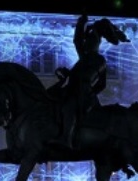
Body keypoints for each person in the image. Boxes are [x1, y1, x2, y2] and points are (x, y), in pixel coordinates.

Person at [50, 14, 129, 149]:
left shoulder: (96, 59)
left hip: (82, 92)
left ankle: (66, 139)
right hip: (75, 88)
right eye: (86, 41)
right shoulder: (86, 57)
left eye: (89, 41)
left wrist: (89, 91)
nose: (85, 43)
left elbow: (101, 83)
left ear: (96, 43)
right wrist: (81, 23)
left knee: (70, 107)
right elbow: (77, 42)